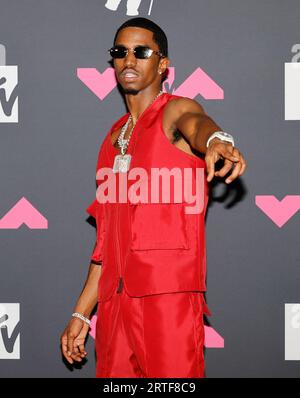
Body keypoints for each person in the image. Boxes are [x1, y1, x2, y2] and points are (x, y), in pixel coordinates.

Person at [60, 17, 247, 378]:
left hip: (167, 300)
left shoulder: (174, 111)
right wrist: (82, 313)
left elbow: (197, 123)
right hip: (114, 307)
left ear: (163, 65)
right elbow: (105, 244)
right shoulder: (113, 138)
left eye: (141, 52)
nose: (129, 60)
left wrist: (216, 141)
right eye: (120, 52)